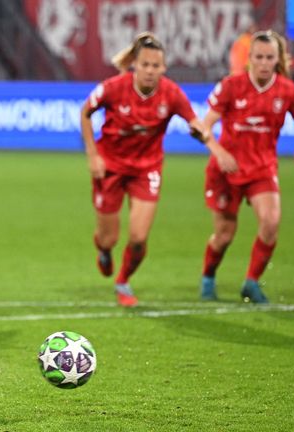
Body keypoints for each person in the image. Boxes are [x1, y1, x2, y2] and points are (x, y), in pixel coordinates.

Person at [79, 32, 207, 307]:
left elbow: (194, 120)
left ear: (163, 67)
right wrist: (92, 155)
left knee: (138, 238)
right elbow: (86, 112)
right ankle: (103, 249)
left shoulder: (171, 93)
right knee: (108, 237)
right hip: (109, 166)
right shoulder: (113, 87)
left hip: (146, 169)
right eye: (145, 65)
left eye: (155, 66)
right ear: (135, 64)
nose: (150, 71)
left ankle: (123, 281)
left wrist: (200, 129)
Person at [199, 30, 294, 303]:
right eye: (259, 57)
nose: (263, 63)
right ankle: (208, 277)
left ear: (278, 60)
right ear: (249, 58)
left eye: (269, 57)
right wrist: (219, 151)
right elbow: (204, 126)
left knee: (271, 222)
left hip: (262, 169)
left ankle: (251, 281)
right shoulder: (231, 85)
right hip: (227, 170)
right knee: (225, 235)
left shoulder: (287, 91)